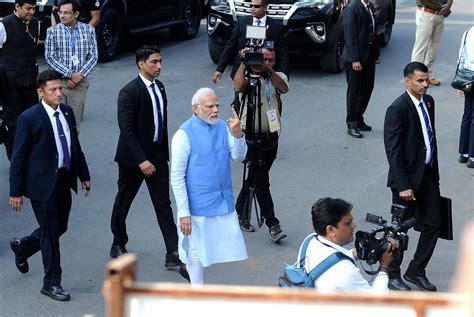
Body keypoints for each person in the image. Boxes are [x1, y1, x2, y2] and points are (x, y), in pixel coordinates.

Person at [9, 69, 91, 301]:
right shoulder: (29, 118)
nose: (58, 93)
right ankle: (51, 282)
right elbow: (19, 157)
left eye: (60, 88)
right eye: (53, 89)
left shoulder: (66, 111)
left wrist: (84, 175)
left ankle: (24, 247)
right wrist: (15, 191)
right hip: (40, 185)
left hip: (63, 180)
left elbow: (75, 146)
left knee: (59, 227)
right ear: (40, 92)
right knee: (51, 233)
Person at [110, 45, 187, 279]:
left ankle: (172, 252)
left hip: (156, 156)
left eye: (160, 61)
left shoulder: (160, 87)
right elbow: (127, 130)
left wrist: (161, 154)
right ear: (141, 64)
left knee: (163, 204)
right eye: (154, 62)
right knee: (124, 201)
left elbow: (160, 123)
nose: (159, 66)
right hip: (133, 160)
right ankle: (118, 242)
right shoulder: (129, 92)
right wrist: (141, 160)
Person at [170, 87, 248, 286]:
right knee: (195, 252)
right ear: (196, 108)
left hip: (222, 201)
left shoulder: (223, 126)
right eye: (210, 106)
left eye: (217, 106)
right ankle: (198, 292)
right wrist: (183, 212)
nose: (215, 110)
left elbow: (238, 156)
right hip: (197, 207)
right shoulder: (183, 135)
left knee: (212, 251)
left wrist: (238, 135)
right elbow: (177, 177)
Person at [384, 62, 442, 292]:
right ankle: (391, 273)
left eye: (426, 80)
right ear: (407, 81)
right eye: (419, 80)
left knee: (434, 223)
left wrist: (434, 174)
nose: (425, 84)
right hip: (406, 182)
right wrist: (403, 185)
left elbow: (429, 139)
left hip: (427, 176)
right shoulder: (397, 108)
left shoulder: (429, 102)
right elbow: (393, 150)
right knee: (400, 231)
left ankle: (416, 270)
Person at [232, 47, 288, 242]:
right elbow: (237, 87)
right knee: (261, 179)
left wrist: (268, 70)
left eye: (271, 60)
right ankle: (273, 223)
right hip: (249, 139)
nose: (265, 63)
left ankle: (237, 212)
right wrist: (243, 62)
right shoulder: (246, 76)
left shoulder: (276, 76)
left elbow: (284, 88)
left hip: (271, 139)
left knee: (254, 179)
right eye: (262, 59)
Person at [300, 197, 394, 293]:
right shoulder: (345, 272)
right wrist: (384, 266)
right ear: (331, 230)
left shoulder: (310, 240)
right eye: (348, 223)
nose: (354, 225)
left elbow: (327, 263)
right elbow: (376, 299)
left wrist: (357, 252)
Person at [45, 0, 98, 133]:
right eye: (60, 12)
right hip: (57, 83)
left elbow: (93, 57)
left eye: (67, 13)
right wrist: (70, 74)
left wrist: (78, 77)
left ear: (76, 14)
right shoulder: (52, 31)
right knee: (56, 124)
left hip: (79, 84)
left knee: (74, 126)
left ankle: (72, 153)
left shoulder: (89, 30)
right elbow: (50, 58)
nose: (62, 16)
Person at [212, 0, 288, 83]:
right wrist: (220, 69)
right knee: (240, 95)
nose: (252, 8)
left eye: (256, 6)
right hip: (242, 69)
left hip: (265, 71)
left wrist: (284, 76)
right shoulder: (242, 22)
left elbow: (282, 53)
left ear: (266, 7)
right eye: (251, 6)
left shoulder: (276, 26)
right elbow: (230, 45)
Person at [342, 0, 380, 138]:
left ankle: (359, 117)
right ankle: (352, 122)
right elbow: (349, 35)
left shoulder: (369, 6)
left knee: (367, 88)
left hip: (368, 57)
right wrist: (355, 59)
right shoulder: (352, 8)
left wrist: (376, 53)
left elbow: (373, 32)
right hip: (356, 59)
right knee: (354, 92)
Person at [0, 0, 39, 113]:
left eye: (34, 8)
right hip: (10, 85)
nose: (32, 12)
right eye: (28, 8)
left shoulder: (36, 23)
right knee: (13, 122)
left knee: (33, 120)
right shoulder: (4, 25)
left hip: (31, 84)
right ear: (17, 6)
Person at [411, 0, 453, 86]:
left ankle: (427, 75)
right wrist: (441, 5)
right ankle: (416, 77)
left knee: (434, 47)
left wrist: (448, 5)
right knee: (421, 47)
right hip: (426, 12)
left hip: (439, 15)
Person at [456, 26, 474, 168]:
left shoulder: (468, 31)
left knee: (467, 115)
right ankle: (472, 156)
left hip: (467, 76)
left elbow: (461, 56)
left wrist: (461, 85)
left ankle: (464, 153)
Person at [0, 65, 19, 160]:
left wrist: (3, 118)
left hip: (4, 120)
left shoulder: (1, 71)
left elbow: (11, 99)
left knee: (15, 156)